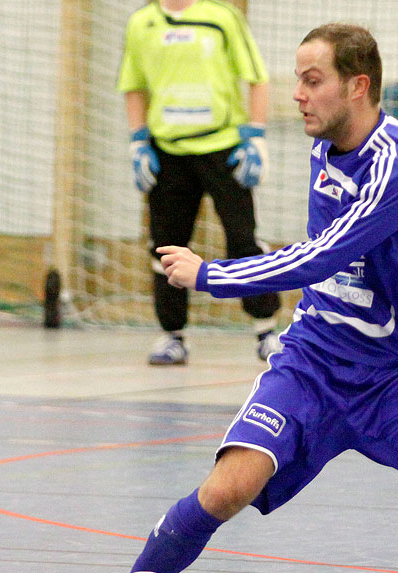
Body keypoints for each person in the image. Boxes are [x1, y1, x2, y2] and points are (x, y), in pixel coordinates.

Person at [58, 23, 398, 573]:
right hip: (315, 363)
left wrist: (210, 274)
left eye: (311, 80)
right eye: (297, 79)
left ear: (358, 86)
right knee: (227, 488)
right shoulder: (325, 146)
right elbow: (322, 262)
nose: (296, 95)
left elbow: (320, 257)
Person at [117, 0, 281, 365]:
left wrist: (255, 137)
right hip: (168, 152)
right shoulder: (142, 23)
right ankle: (172, 335)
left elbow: (256, 77)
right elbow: (133, 85)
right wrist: (138, 143)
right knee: (166, 246)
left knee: (243, 238)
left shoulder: (222, 18)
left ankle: (266, 328)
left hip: (222, 147)